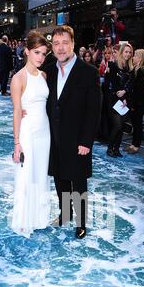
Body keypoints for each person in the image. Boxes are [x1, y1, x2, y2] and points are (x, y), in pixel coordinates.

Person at [44, 25, 101, 239]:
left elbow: (93, 111)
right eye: (56, 43)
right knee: (60, 179)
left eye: (65, 43)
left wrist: (87, 141)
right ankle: (65, 213)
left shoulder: (89, 72)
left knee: (78, 183)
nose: (60, 48)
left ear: (73, 44)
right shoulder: (48, 71)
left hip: (78, 140)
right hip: (54, 138)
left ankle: (81, 222)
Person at [9, 31, 51, 237]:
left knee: (41, 174)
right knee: (27, 176)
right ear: (26, 51)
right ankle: (24, 220)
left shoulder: (43, 75)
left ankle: (40, 217)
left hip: (45, 132)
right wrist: (17, 143)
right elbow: (17, 111)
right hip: (27, 132)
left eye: (43, 54)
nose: (40, 57)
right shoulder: (19, 78)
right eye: (36, 52)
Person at [126, 49, 144, 154]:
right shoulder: (135, 69)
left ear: (140, 58)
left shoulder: (142, 71)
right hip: (135, 101)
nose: (133, 57)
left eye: (135, 55)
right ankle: (133, 143)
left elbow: (139, 90)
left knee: (138, 124)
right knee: (135, 124)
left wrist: (134, 104)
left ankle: (136, 145)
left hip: (138, 103)